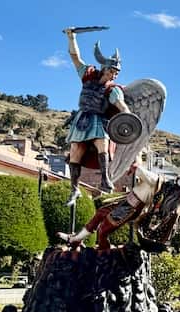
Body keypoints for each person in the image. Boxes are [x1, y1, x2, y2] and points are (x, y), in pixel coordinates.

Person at [58, 163, 180, 250]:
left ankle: (99, 250)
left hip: (130, 208)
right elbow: (138, 169)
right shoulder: (163, 186)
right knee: (101, 213)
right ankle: (78, 240)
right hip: (128, 202)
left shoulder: (158, 182)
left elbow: (138, 168)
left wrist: (133, 164)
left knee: (103, 231)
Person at [64, 29, 131, 205]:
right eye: (112, 71)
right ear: (105, 68)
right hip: (81, 119)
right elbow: (75, 58)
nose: (115, 74)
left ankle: (105, 178)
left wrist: (128, 117)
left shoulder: (113, 89)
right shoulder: (88, 76)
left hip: (98, 121)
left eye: (117, 72)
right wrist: (72, 37)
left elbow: (121, 106)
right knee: (75, 152)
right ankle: (74, 189)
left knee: (103, 142)